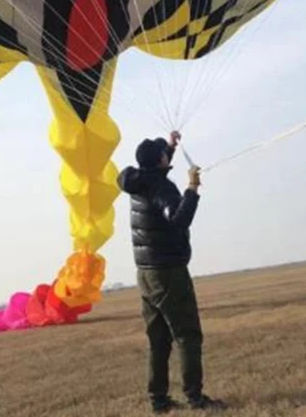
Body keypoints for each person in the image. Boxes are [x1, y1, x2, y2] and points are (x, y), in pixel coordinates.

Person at [117, 131, 226, 413]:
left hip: (146, 274)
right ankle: (196, 398)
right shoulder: (162, 188)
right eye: (163, 153)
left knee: (159, 339)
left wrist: (170, 146)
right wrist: (192, 188)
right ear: (159, 162)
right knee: (188, 335)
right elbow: (179, 219)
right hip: (168, 273)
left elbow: (155, 171)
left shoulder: (139, 182)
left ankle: (159, 401)